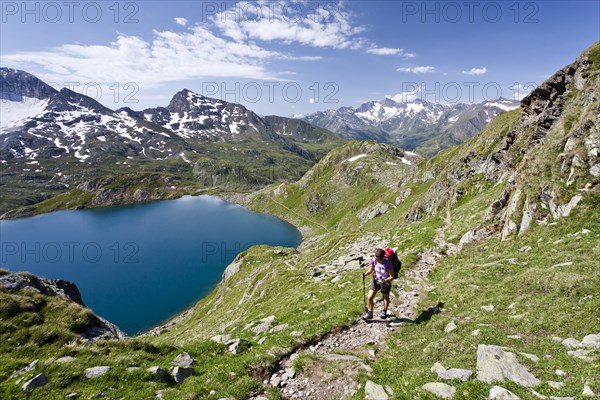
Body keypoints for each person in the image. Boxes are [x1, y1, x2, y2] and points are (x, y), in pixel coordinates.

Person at [361, 248, 395, 320]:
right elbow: (371, 270)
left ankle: (384, 311)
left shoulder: (388, 264)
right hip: (376, 281)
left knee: (385, 297)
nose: (376, 259)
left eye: (377, 257)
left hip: (385, 283)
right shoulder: (374, 260)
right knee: (370, 297)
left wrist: (385, 280)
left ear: (382, 257)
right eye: (375, 257)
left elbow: (392, 276)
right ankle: (370, 313)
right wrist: (365, 274)